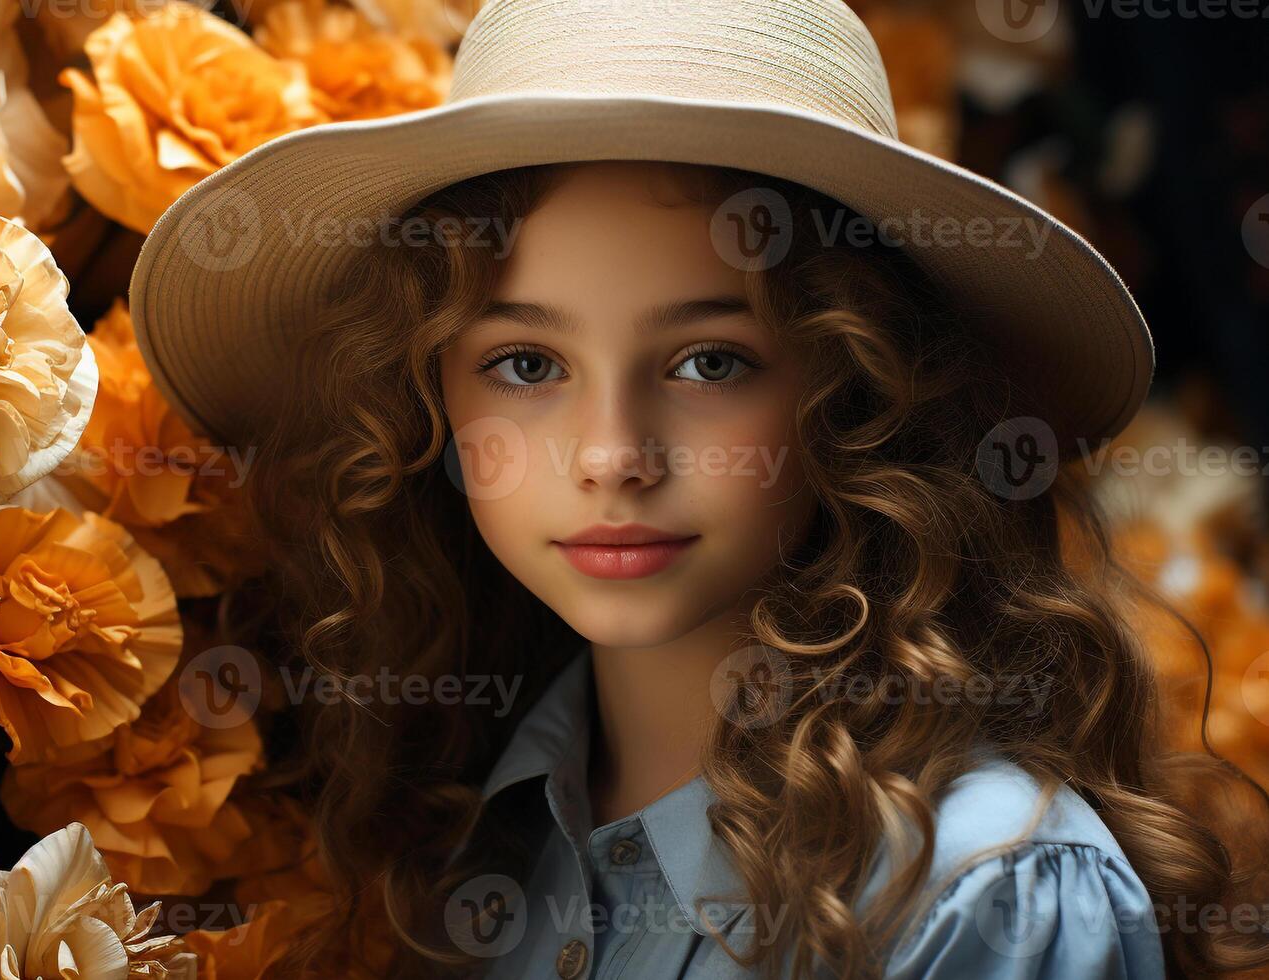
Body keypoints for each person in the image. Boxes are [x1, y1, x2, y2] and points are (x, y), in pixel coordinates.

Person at [126, 0, 1269, 976]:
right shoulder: (463, 835)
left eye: (707, 362)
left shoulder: (983, 884)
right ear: (427, 403)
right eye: (525, 365)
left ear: (859, 391)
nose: (611, 453)